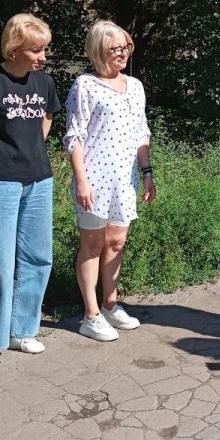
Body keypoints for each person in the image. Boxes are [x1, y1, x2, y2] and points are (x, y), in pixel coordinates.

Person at [0, 13, 60, 366]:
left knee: (37, 258)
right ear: (16, 49)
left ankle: (23, 331)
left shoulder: (45, 82)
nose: (43, 57)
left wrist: (28, 151)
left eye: (44, 50)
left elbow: (47, 118)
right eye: (37, 50)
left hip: (39, 179)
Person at [64, 21, 156, 341]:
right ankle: (90, 315)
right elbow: (73, 137)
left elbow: (141, 132)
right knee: (92, 245)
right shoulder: (84, 85)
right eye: (116, 48)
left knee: (116, 242)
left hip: (124, 179)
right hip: (94, 179)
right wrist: (81, 181)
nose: (123, 54)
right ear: (99, 51)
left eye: (126, 47)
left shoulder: (135, 86)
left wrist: (147, 174)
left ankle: (110, 305)